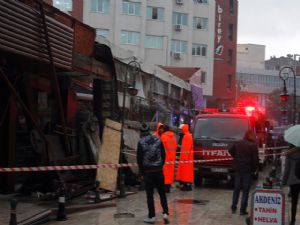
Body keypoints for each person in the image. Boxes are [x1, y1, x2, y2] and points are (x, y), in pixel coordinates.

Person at [137, 123, 169, 224]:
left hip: (148, 173)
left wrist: (142, 172)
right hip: (159, 171)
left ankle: (152, 216)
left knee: (150, 195)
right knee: (162, 193)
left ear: (141, 132)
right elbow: (164, 155)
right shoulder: (158, 139)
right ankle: (165, 214)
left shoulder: (141, 142)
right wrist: (160, 166)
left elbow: (139, 159)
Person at [229, 130, 259, 215]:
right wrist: (254, 169)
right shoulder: (253, 146)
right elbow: (255, 160)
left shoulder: (238, 143)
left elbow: (230, 151)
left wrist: (236, 158)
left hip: (238, 169)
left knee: (237, 189)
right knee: (245, 191)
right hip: (247, 171)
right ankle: (242, 210)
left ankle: (234, 207)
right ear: (251, 136)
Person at [282, 145, 300, 225]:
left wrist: (284, 181)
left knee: (294, 202)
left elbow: (286, 170)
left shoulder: (289, 155)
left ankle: (293, 221)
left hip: (294, 180)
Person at [176, 124, 194, 191]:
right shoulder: (187, 136)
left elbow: (186, 148)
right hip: (186, 158)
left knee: (186, 173)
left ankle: (186, 186)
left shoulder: (187, 136)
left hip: (186, 158)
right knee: (185, 173)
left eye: (182, 129)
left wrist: (185, 158)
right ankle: (185, 185)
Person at [160, 125, 177, 193]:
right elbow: (175, 146)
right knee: (170, 173)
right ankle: (168, 187)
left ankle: (165, 188)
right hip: (172, 157)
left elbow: (161, 148)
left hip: (165, 157)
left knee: (165, 173)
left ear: (164, 129)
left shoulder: (163, 136)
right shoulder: (173, 137)